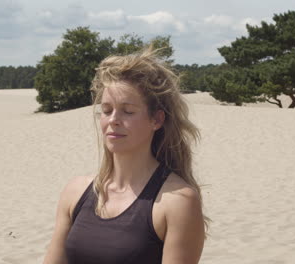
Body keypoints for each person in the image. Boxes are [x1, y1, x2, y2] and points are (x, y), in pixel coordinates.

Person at [42, 46, 209, 264]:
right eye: (107, 110)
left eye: (128, 111)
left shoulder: (177, 202)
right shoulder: (75, 192)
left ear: (156, 120)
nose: (113, 120)